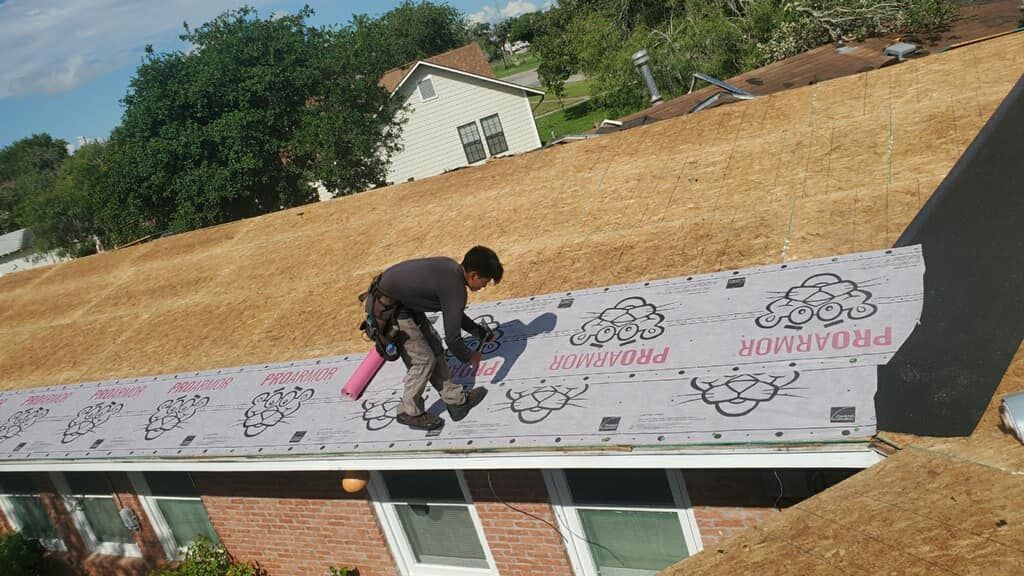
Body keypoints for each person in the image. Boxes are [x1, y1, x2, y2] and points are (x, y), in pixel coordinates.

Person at [375, 246, 503, 430]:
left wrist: (479, 333)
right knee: (423, 360)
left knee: (435, 348)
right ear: (473, 276)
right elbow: (453, 340)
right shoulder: (456, 288)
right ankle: (409, 412)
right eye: (485, 281)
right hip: (391, 308)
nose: (484, 286)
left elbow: (454, 313)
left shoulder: (452, 270)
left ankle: (456, 402)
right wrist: (469, 356)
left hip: (406, 303)